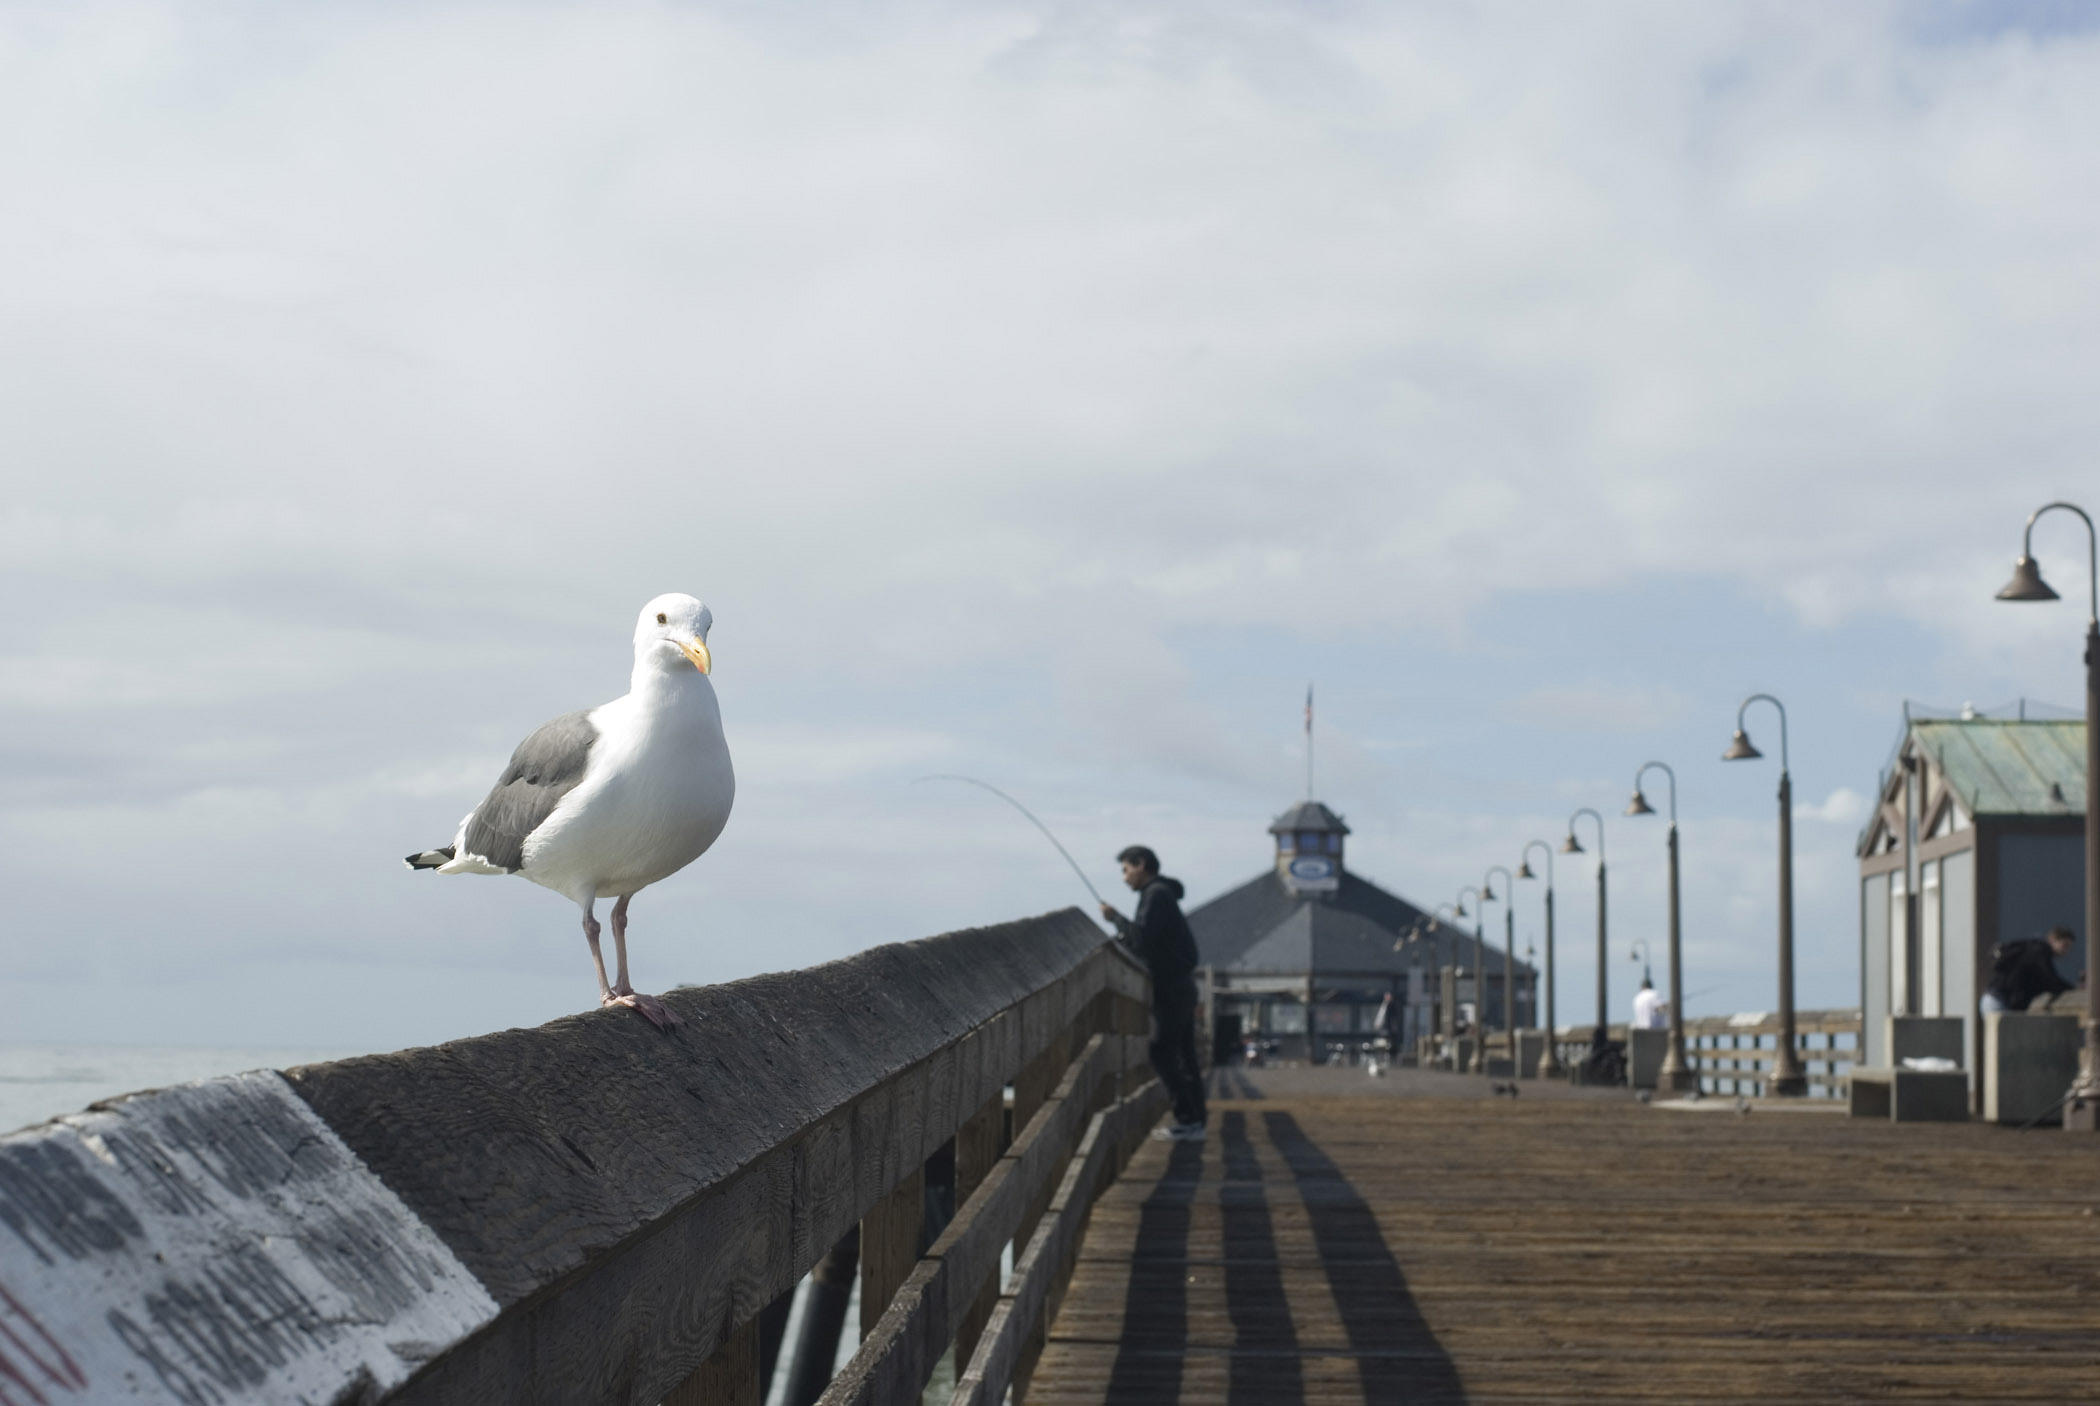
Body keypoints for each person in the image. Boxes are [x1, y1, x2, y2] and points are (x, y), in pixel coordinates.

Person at [1100, 844, 1207, 1141]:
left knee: (1162, 1052)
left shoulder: (1156, 895)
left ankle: (1189, 1119)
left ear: (1140, 864)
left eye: (1125, 869)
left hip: (1173, 987)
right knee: (1184, 1055)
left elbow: (1142, 939)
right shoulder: (1161, 894)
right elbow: (1146, 939)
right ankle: (1194, 1122)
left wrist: (1115, 919)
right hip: (1179, 986)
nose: (1124, 878)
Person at [1982, 926, 2078, 1013]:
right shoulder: (2039, 951)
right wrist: (2073, 990)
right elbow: (2050, 979)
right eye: (2065, 945)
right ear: (2053, 939)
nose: (2066, 951)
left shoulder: (2032, 950)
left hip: (1994, 999)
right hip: (1999, 1001)